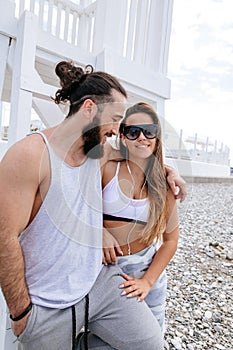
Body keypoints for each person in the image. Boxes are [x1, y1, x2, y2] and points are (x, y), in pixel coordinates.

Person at [0, 61, 185, 350]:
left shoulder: (97, 153)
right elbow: (4, 237)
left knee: (150, 345)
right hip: (47, 303)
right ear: (89, 109)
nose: (115, 129)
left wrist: (169, 172)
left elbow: (141, 154)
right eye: (114, 118)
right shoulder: (29, 155)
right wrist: (22, 312)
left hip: (100, 281)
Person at [102, 102, 179, 335]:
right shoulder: (107, 169)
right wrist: (98, 230)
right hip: (107, 270)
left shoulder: (164, 185)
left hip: (147, 269)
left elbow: (170, 241)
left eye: (149, 131)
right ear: (123, 135)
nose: (142, 137)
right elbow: (82, 207)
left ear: (157, 137)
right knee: (115, 334)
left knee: (152, 337)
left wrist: (147, 281)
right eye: (133, 132)